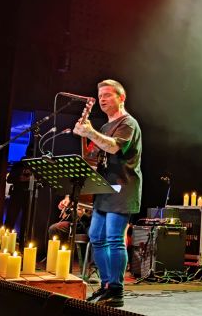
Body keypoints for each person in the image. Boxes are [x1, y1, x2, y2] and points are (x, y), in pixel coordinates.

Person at [72, 79, 142, 307]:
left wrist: (90, 131)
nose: (101, 99)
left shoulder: (128, 123)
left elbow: (113, 147)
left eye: (107, 95)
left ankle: (117, 290)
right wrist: (85, 135)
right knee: (97, 237)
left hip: (123, 187)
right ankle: (105, 286)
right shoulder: (104, 127)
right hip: (104, 188)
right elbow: (94, 158)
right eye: (99, 95)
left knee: (113, 238)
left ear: (121, 98)